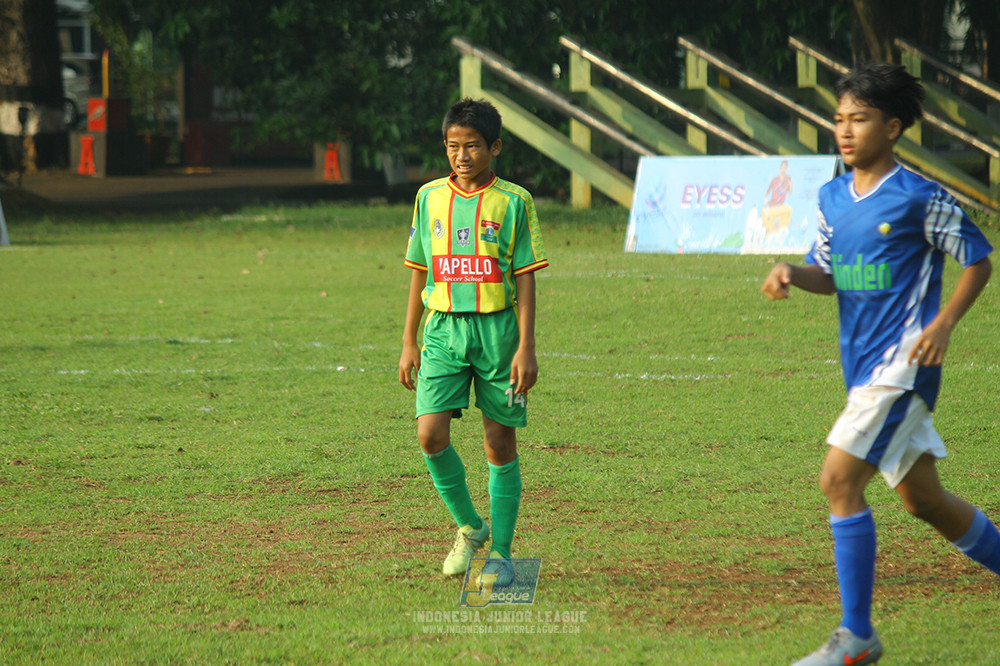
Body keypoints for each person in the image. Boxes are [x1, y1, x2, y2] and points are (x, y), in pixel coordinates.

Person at [761, 62, 998, 665]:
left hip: (904, 368)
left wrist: (943, 324)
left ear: (892, 128)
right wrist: (794, 273)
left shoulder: (919, 197)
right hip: (864, 372)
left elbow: (977, 259)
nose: (844, 130)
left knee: (838, 482)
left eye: (858, 119)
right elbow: (830, 271)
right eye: (838, 119)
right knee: (925, 501)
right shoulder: (831, 197)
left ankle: (856, 637)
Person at [399, 98, 548, 584]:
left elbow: (525, 279)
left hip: (498, 334)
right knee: (429, 433)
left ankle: (501, 554)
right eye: (452, 146)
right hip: (441, 329)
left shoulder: (515, 201)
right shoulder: (428, 198)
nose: (462, 156)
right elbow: (420, 270)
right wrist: (408, 341)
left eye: (473, 146)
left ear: (494, 147)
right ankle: (469, 526)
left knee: (498, 441)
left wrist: (526, 346)